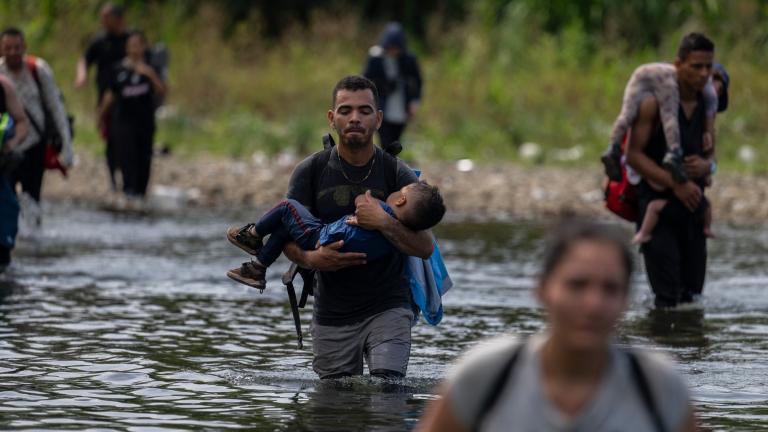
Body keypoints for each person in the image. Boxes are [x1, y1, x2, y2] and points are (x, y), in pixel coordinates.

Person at [233, 76, 434, 379]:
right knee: (334, 405)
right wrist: (312, 260)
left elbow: (425, 246)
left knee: (387, 394)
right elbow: (285, 235)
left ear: (378, 119)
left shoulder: (397, 172)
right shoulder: (310, 171)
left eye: (365, 111)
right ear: (332, 118)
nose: (355, 118)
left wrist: (383, 221)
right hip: (331, 310)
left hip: (389, 305)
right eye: (346, 110)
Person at [418, 219, 698, 432]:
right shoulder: (487, 375)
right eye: (577, 285)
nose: (593, 305)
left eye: (610, 289)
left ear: (626, 299)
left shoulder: (658, 386)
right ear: (542, 289)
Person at [625, 33, 716, 308]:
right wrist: (675, 183)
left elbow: (712, 153)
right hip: (658, 210)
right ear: (678, 65)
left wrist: (707, 165)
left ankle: (692, 351)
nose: (703, 74)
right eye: (696, 66)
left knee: (692, 298)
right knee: (667, 299)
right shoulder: (653, 103)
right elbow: (633, 155)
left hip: (693, 209)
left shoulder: (706, 104)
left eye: (708, 67)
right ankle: (661, 348)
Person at [226, 181, 445, 291]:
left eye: (402, 190)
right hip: (329, 238)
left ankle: (252, 235)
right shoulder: (396, 240)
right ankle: (258, 268)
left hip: (321, 237)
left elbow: (360, 200)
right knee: (284, 229)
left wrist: (376, 211)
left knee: (286, 207)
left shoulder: (384, 214)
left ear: (400, 200)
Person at [0, 27, 74, 225]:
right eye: (8, 48)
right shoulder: (1, 76)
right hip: (7, 148)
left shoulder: (38, 70)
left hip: (34, 143)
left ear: (24, 47)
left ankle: (34, 240)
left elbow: (56, 108)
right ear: (1, 49)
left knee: (32, 197)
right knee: (7, 197)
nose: (13, 52)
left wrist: (67, 146)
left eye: (17, 47)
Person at [601, 62, 719, 183]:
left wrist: (709, 168)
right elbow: (633, 155)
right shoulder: (706, 90)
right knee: (670, 115)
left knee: (626, 114)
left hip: (639, 73)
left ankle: (612, 147)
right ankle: (673, 152)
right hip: (651, 184)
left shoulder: (695, 88)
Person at [98, 30, 165, 204]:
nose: (134, 49)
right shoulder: (118, 68)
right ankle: (128, 194)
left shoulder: (152, 67)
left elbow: (162, 90)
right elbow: (110, 95)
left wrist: (149, 73)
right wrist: (101, 116)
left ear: (144, 46)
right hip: (123, 122)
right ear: (127, 48)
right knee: (127, 159)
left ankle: (140, 196)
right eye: (131, 46)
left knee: (144, 160)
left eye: (138, 45)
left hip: (145, 122)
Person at [75, 3, 128, 190]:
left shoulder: (130, 39)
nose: (102, 22)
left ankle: (128, 177)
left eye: (106, 18)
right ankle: (114, 179)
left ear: (118, 19)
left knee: (126, 137)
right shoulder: (99, 41)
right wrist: (82, 75)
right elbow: (85, 59)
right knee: (110, 137)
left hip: (128, 98)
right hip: (105, 96)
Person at [363, 22, 422, 155]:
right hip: (381, 103)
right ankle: (386, 165)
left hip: (401, 104)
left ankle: (390, 165)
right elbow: (365, 80)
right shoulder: (376, 58)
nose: (393, 51)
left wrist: (415, 101)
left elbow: (417, 81)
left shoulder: (409, 60)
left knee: (395, 140)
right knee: (385, 138)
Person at [0, 75, 29, 271]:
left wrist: (12, 143)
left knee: (8, 208)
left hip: (1, 165)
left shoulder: (4, 86)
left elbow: (21, 122)